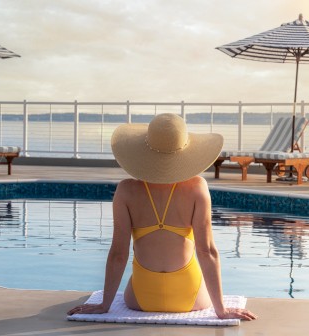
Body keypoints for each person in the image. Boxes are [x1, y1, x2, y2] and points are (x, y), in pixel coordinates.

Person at [67, 113, 257, 321]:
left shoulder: (126, 191)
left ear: (144, 151)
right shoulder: (197, 188)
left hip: (141, 298)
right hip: (191, 296)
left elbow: (118, 254)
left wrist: (105, 305)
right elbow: (207, 251)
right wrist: (221, 309)